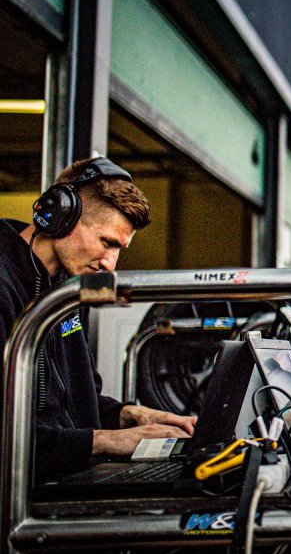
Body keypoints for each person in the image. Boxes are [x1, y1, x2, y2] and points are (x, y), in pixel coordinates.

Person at [0, 157, 196, 480]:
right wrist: (108, 441)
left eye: (119, 249)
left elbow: (76, 406)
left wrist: (128, 415)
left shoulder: (66, 289)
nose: (110, 264)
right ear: (62, 216)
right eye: (107, 243)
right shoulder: (6, 285)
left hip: (68, 478)